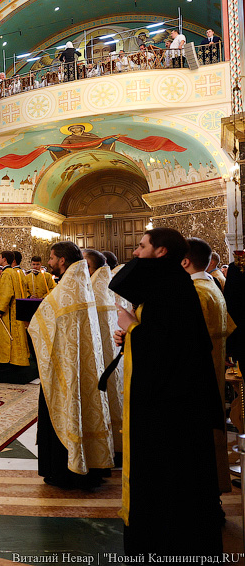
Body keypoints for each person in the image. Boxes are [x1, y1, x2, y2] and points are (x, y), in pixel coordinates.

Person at [110, 228, 222, 556]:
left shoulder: (172, 287)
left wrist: (134, 328)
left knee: (169, 480)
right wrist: (132, 335)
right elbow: (165, 337)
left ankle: (166, 548)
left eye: (142, 246)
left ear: (160, 252)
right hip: (167, 402)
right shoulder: (169, 284)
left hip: (170, 409)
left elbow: (172, 350)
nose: (135, 252)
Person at [29, 242, 113, 490]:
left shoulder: (67, 290)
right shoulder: (83, 283)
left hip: (66, 367)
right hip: (81, 364)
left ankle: (66, 472)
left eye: (52, 258)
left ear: (62, 260)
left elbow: (40, 323)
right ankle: (91, 466)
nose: (50, 262)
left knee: (64, 408)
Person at [182, 238, 232, 495]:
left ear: (185, 261)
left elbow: (181, 339)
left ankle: (202, 498)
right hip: (210, 372)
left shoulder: (197, 293)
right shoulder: (209, 285)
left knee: (199, 439)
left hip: (197, 378)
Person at [84, 249, 123, 461]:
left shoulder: (93, 291)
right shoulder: (111, 285)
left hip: (102, 358)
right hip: (115, 356)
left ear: (91, 268)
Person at [0, 251, 29, 366]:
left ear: (4, 259)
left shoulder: (6, 274)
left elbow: (6, 293)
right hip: (16, 310)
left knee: (6, 337)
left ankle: (5, 361)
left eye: (0, 257)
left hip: (7, 312)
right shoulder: (15, 272)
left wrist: (0, 310)